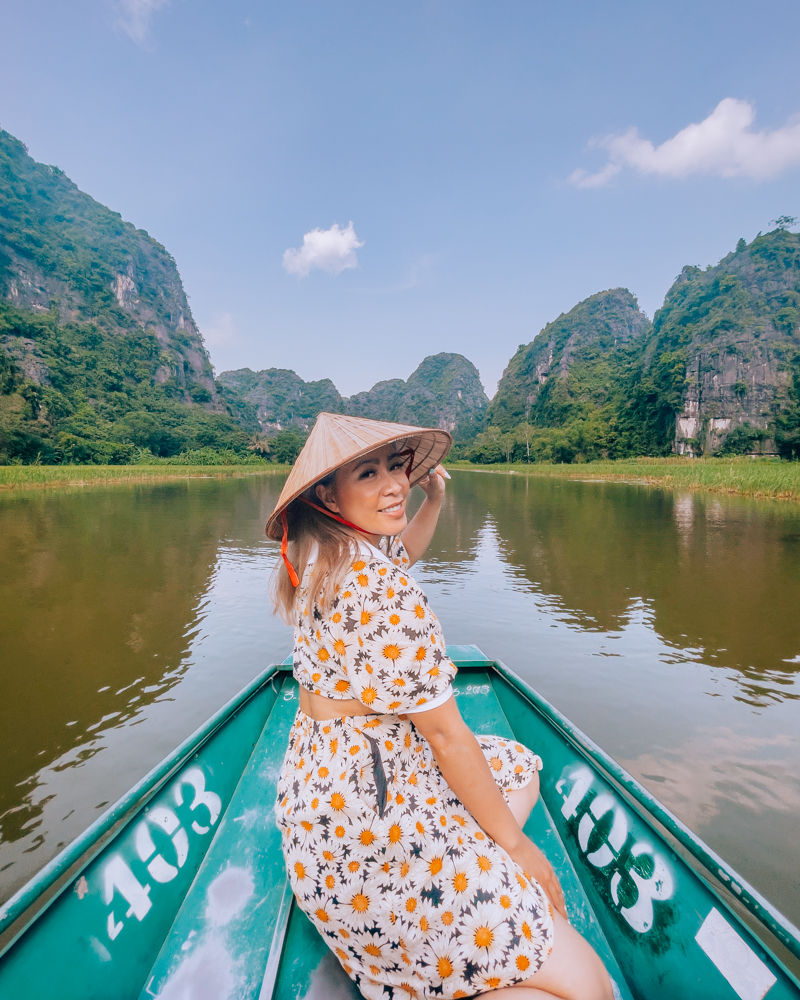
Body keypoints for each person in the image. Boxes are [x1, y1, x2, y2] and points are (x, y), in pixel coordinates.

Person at [268, 412, 613, 1000]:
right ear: (329, 491)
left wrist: (432, 504)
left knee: (515, 766)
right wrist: (516, 847)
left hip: (318, 812)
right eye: (370, 473)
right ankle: (473, 880)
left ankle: (465, 868)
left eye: (396, 468)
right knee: (593, 990)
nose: (394, 484)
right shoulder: (379, 591)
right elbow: (448, 739)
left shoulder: (325, 558)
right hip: (371, 832)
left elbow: (403, 552)